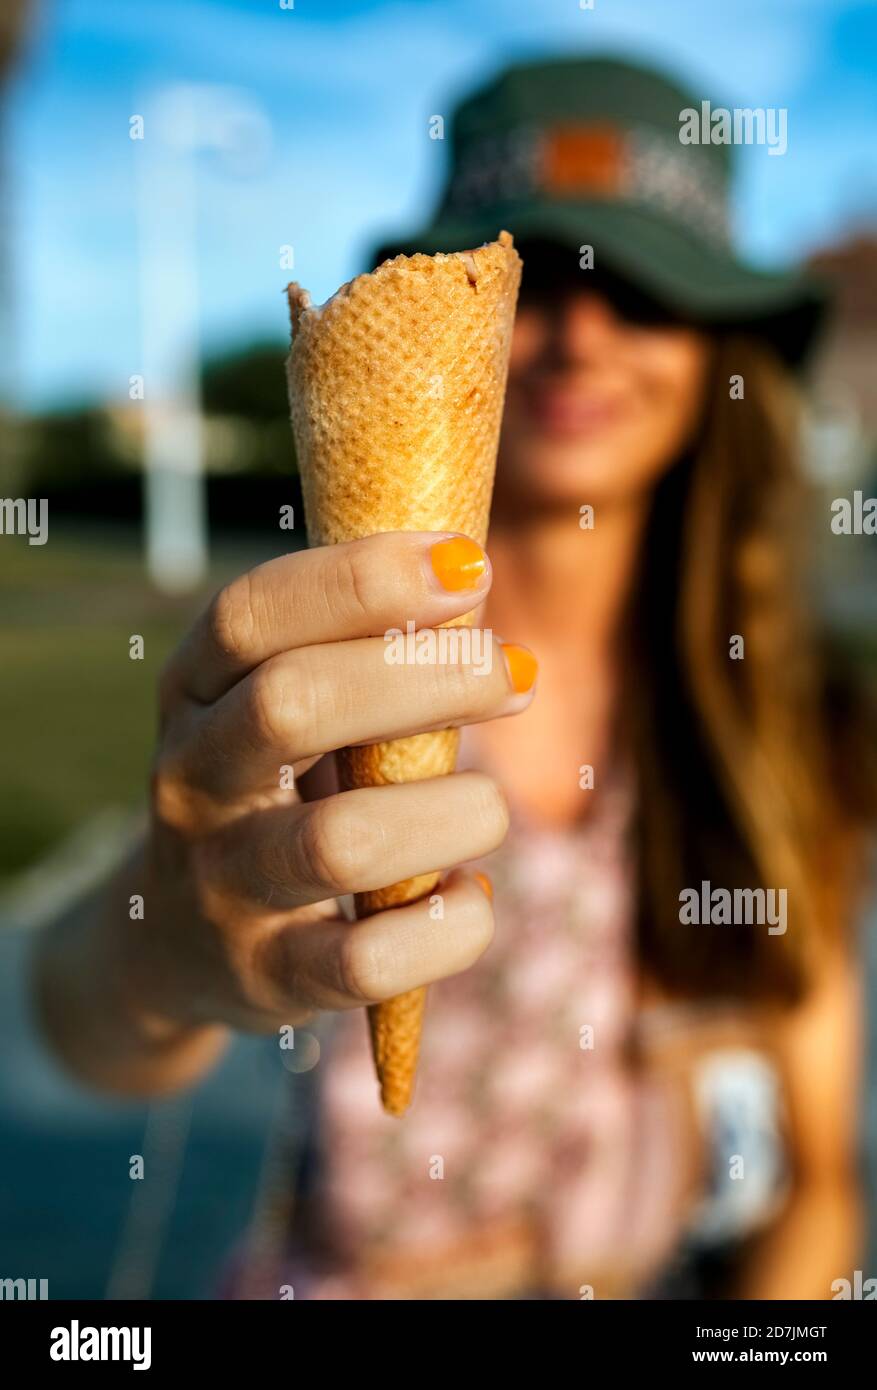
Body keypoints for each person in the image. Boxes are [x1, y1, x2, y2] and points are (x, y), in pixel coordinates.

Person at [34, 57, 876, 1299]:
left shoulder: (782, 724)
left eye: (643, 291)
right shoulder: (303, 695)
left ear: (714, 358)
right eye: (531, 275)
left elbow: (817, 1187)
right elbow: (77, 1027)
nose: (581, 333)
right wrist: (159, 949)